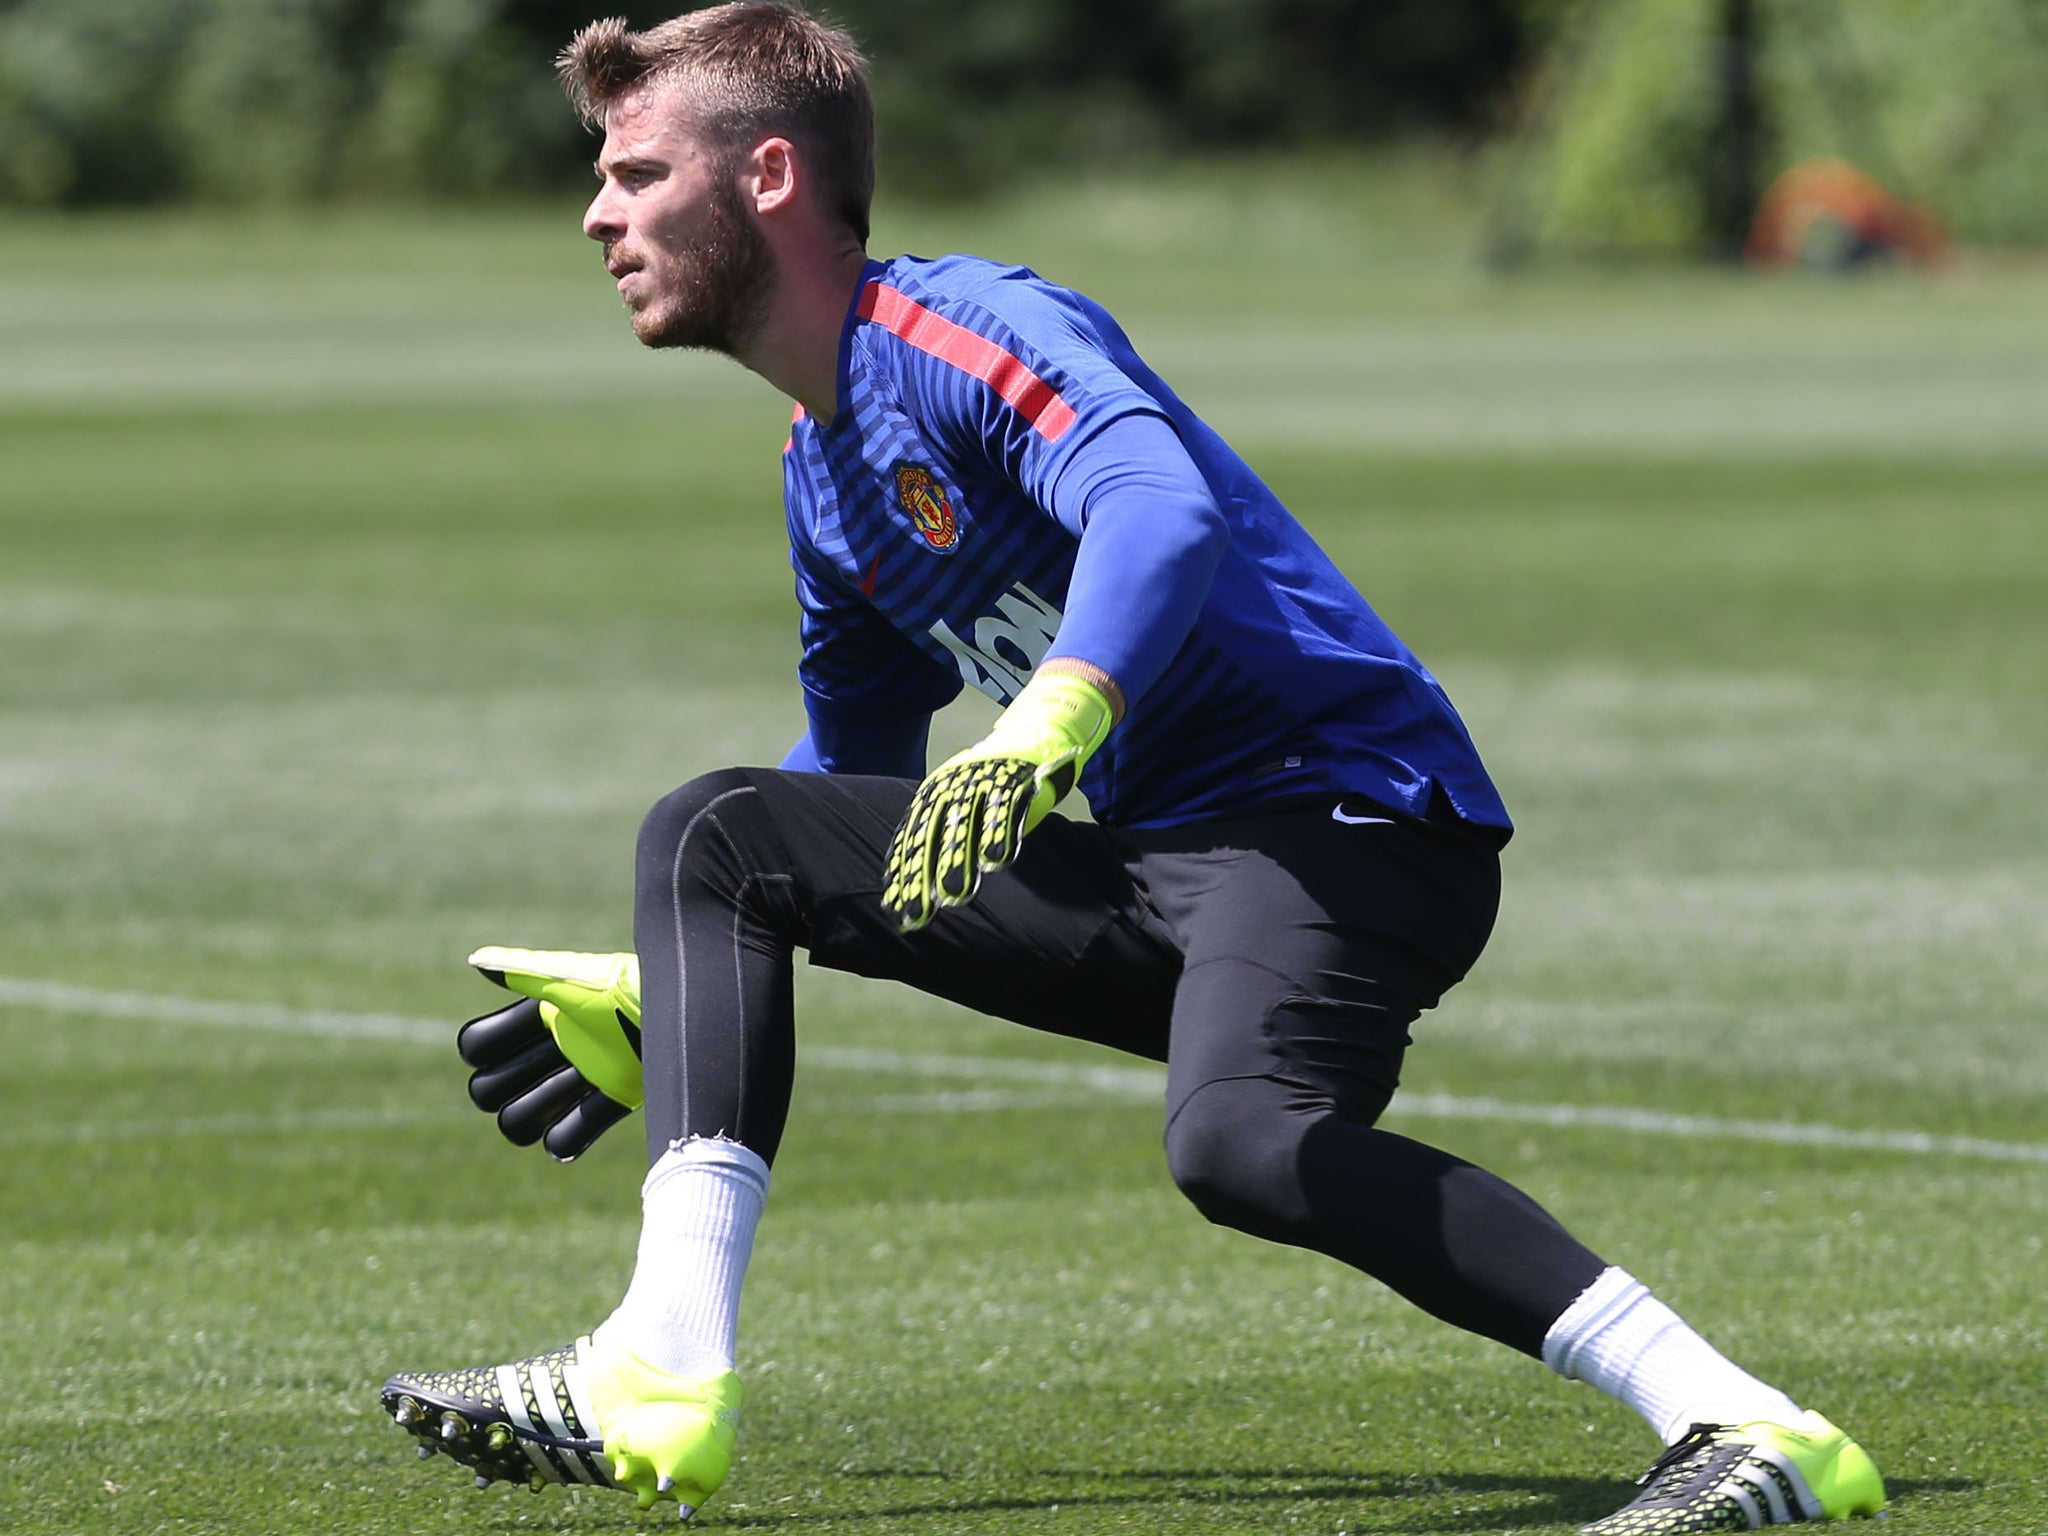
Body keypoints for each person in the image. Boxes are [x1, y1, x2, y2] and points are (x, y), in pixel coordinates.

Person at [379, 5, 1888, 1531]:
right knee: (718, 838)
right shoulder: (820, 464)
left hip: (1351, 818)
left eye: (636, 173)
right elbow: (846, 786)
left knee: (1239, 1145)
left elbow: (1158, 508)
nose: (598, 212)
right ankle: (658, 1360)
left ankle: (1752, 1428)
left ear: (766, 174)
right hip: (1170, 860)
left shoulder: (958, 327)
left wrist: (1048, 721)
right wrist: (671, 981)